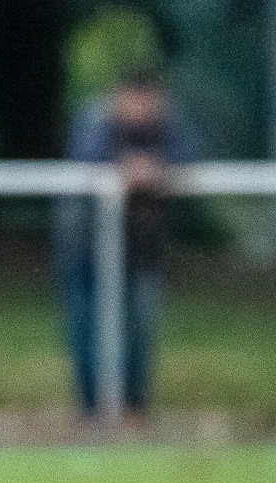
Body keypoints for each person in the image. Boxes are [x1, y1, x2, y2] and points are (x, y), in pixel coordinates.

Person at [56, 65, 203, 416]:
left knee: (140, 323)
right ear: (119, 96)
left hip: (140, 247)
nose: (140, 108)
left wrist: (156, 169)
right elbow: (85, 156)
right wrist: (125, 167)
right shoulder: (95, 119)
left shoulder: (170, 122)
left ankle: (134, 406)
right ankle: (92, 408)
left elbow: (192, 154)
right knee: (87, 324)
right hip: (85, 246)